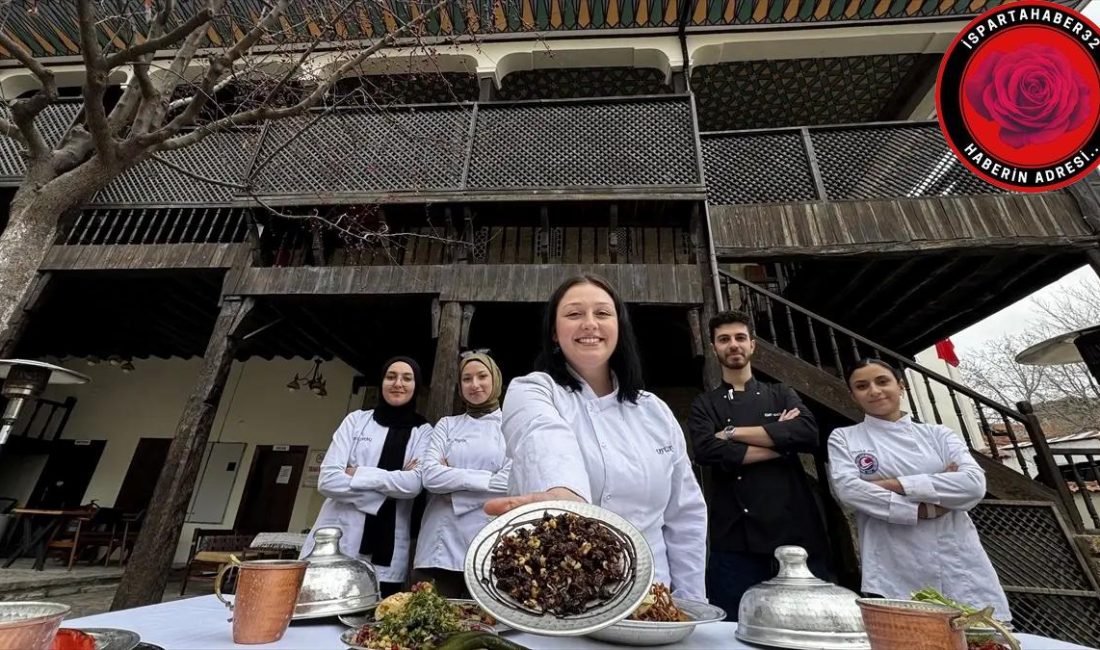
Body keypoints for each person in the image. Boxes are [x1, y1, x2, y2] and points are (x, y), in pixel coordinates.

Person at [486, 274, 708, 600]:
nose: (590, 323)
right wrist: (566, 497)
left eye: (602, 313)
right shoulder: (532, 390)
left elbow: (684, 514)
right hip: (557, 601)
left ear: (619, 326)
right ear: (554, 332)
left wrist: (690, 602)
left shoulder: (655, 411)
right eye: (574, 314)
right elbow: (543, 434)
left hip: (650, 599)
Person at [828, 358, 1010, 620]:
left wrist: (892, 484)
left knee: (978, 639)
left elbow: (973, 484)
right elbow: (849, 491)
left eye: (882, 381)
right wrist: (926, 509)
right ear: (853, 395)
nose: (875, 391)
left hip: (956, 559)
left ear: (901, 386)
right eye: (862, 385)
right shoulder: (845, 438)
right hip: (892, 564)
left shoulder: (939, 435)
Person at [688, 310, 829, 621]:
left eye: (740, 338)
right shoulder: (705, 404)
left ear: (752, 345)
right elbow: (707, 450)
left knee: (805, 623)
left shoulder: (780, 393)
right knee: (734, 625)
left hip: (794, 535)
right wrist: (782, 445)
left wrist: (732, 433)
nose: (733, 345)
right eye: (724, 340)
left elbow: (807, 433)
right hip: (736, 536)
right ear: (714, 348)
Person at [301, 357, 432, 598]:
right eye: (391, 376)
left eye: (407, 378)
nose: (398, 383)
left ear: (417, 385)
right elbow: (328, 480)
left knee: (375, 624)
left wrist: (358, 473)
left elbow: (413, 485)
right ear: (381, 382)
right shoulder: (355, 421)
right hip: (340, 540)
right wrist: (392, 483)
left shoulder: (423, 431)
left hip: (387, 550)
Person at [413, 352, 511, 598]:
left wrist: (453, 489)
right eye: (467, 379)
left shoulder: (511, 427)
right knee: (432, 623)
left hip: (489, 540)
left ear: (496, 379)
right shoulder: (447, 424)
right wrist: (487, 478)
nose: (474, 384)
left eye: (482, 376)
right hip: (439, 542)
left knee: (479, 626)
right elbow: (430, 477)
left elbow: (511, 483)